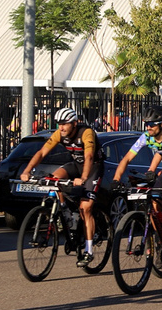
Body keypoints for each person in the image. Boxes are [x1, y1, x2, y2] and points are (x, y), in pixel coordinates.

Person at [20, 108, 105, 267]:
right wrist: (26, 171)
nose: (61, 127)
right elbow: (42, 152)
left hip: (92, 168)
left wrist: (84, 178)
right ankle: (64, 210)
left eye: (65, 124)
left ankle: (88, 251)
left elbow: (89, 156)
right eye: (59, 124)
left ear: (74, 123)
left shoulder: (86, 132)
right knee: (54, 179)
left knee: (85, 208)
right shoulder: (59, 134)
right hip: (75, 165)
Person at [112, 106, 162, 249]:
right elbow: (126, 159)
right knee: (154, 199)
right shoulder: (146, 137)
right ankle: (161, 236)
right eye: (146, 124)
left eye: (151, 124)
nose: (148, 127)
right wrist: (116, 179)